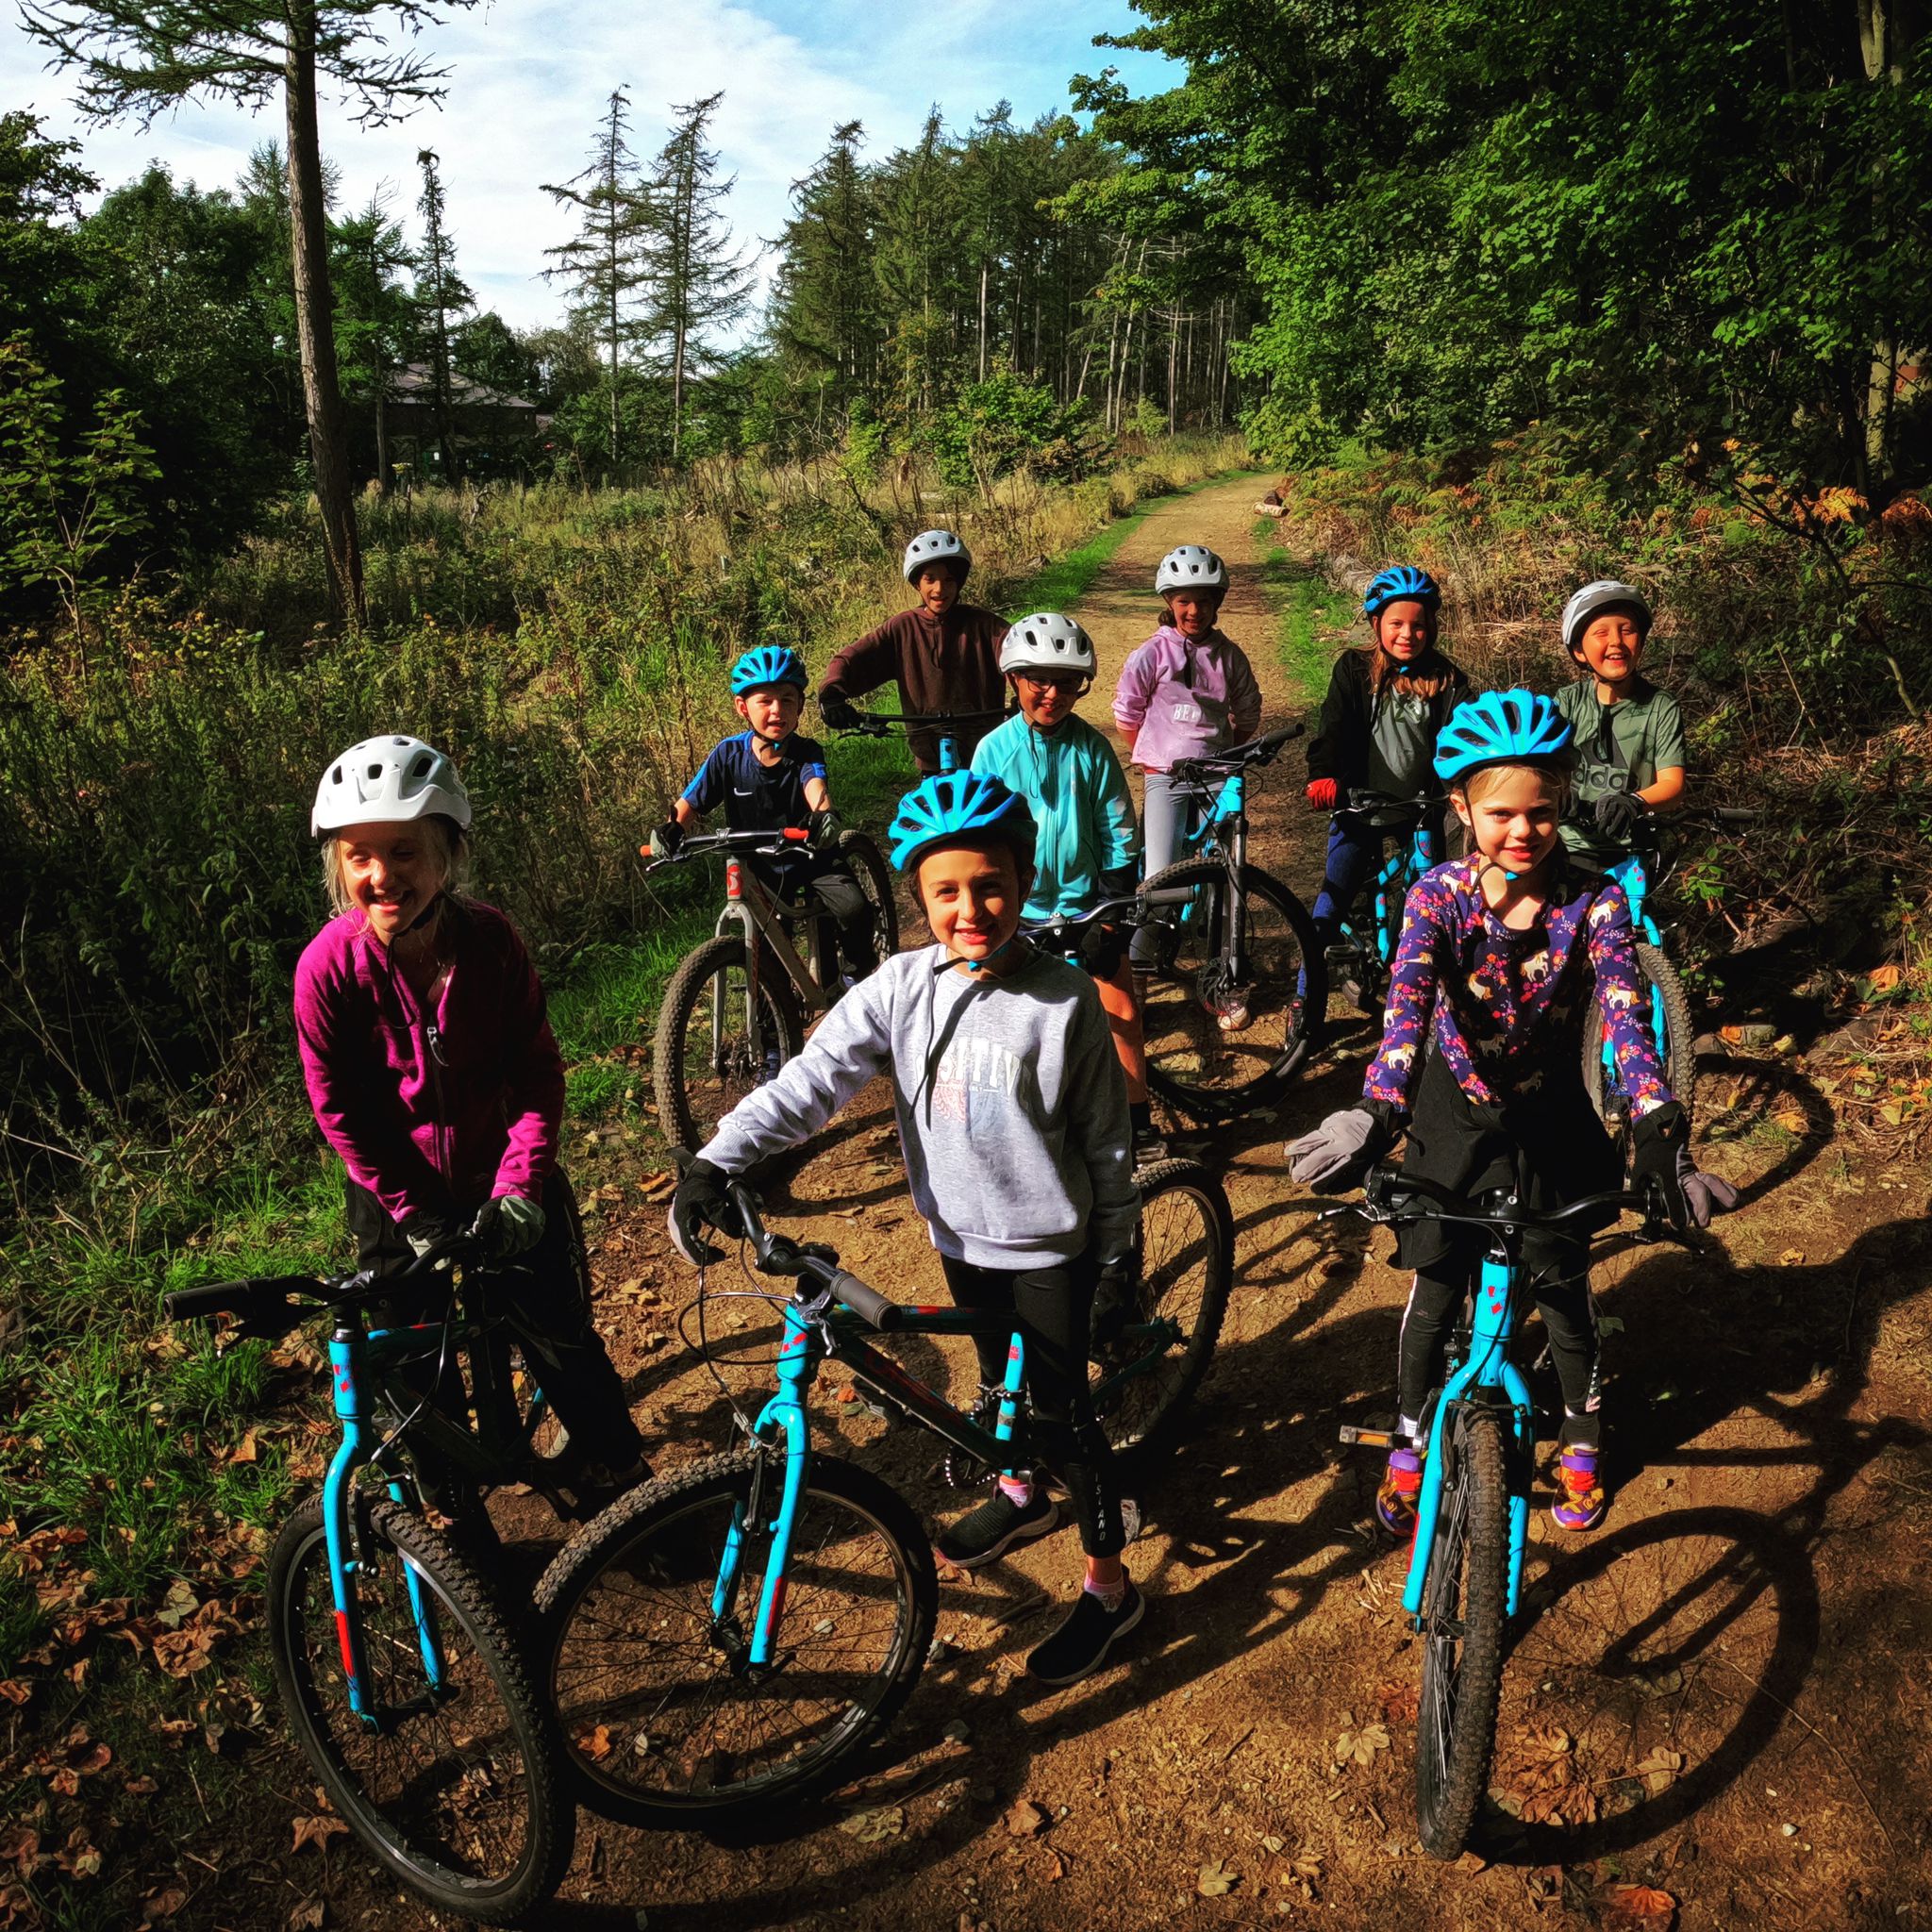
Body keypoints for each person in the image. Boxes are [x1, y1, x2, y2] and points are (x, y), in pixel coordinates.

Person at [667, 771, 1146, 1686]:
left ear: (1023, 874)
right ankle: (1019, 1489)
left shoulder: (1064, 1000)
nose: (971, 907)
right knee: (991, 1368)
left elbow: (1106, 1142)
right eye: (947, 890)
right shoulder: (899, 988)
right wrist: (715, 1158)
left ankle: (1110, 1590)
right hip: (959, 1233)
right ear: (920, 894)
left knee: (1060, 1411)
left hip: (1050, 1241)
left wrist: (1117, 1254)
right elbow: (810, 1083)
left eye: (992, 883)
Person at [1287, 691, 1737, 1536]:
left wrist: (1657, 1128)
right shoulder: (1436, 895)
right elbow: (1407, 1014)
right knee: (1435, 1287)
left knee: (1564, 1290)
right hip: (1450, 1110)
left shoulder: (1596, 900)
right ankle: (1410, 1442)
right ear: (1460, 808)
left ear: (1563, 799)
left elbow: (1628, 1022)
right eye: (1499, 814)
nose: (1522, 832)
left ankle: (1580, 1434)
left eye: (1541, 811)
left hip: (1551, 1115)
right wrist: (1375, 1113)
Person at [295, 735, 648, 1503]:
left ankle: (619, 1471)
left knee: (557, 1335)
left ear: (447, 856)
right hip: (394, 1191)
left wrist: (522, 1183)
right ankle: (443, 1498)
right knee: (409, 1357)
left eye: (404, 853)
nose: (382, 877)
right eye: (360, 857)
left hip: (503, 1168)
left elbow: (535, 1070)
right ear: (339, 865)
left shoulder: (490, 942)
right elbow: (340, 1108)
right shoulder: (327, 968)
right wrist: (409, 1207)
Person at [970, 612, 1158, 1159]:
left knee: (1120, 1010)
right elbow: (983, 836)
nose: (1052, 694)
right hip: (1018, 911)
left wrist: (1111, 914)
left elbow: (1120, 833)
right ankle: (1007, 1122)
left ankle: (1136, 1117)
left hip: (1083, 903)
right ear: (1014, 680)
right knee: (1002, 1018)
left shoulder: (1092, 750)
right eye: (1039, 681)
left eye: (1067, 682)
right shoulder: (992, 752)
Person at [650, 646, 876, 985]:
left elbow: (815, 785)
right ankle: (772, 1028)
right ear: (743, 708)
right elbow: (690, 802)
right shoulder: (728, 754)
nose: (777, 711)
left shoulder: (805, 751)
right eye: (764, 702)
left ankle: (859, 969)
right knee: (765, 952)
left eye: (787, 700)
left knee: (853, 909)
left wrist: (823, 815)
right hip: (757, 867)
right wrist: (672, 829)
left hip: (810, 855)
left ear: (800, 706)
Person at [1304, 564, 1471, 967]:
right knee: (1330, 905)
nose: (1408, 634)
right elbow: (1334, 727)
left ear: (1431, 626)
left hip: (1421, 808)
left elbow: (1465, 739)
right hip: (1359, 804)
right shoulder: (1353, 670)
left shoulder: (1449, 680)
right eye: (1396, 623)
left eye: (1419, 625)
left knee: (1431, 903)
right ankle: (1304, 1002)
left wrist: (1468, 783)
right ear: (1377, 623)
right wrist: (1323, 775)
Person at [1112, 544, 1263, 972]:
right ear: (1169, 603)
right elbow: (1127, 712)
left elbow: (1247, 710)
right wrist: (1152, 755)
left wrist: (1225, 749)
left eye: (1203, 601)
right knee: (1161, 874)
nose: (1194, 610)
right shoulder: (1152, 653)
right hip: (1167, 775)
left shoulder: (1229, 655)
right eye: (1183, 601)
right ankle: (1141, 960)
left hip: (1218, 772)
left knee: (1226, 868)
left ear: (1217, 603)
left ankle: (1224, 955)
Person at [817, 530, 1009, 774]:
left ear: (959, 583)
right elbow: (853, 658)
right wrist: (832, 693)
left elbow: (1020, 651)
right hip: (928, 753)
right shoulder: (901, 628)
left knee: (996, 809)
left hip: (986, 754)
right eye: (930, 579)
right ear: (917, 583)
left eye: (949, 579)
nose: (940, 589)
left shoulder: (986, 626)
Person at [1554, 580, 1687, 866]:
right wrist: (1559, 794)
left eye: (1627, 630)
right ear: (1579, 650)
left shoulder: (1660, 706)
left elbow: (1673, 785)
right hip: (1569, 848)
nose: (1616, 641)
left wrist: (1634, 801)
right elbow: (1544, 766)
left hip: (1633, 852)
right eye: (1601, 633)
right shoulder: (1568, 703)